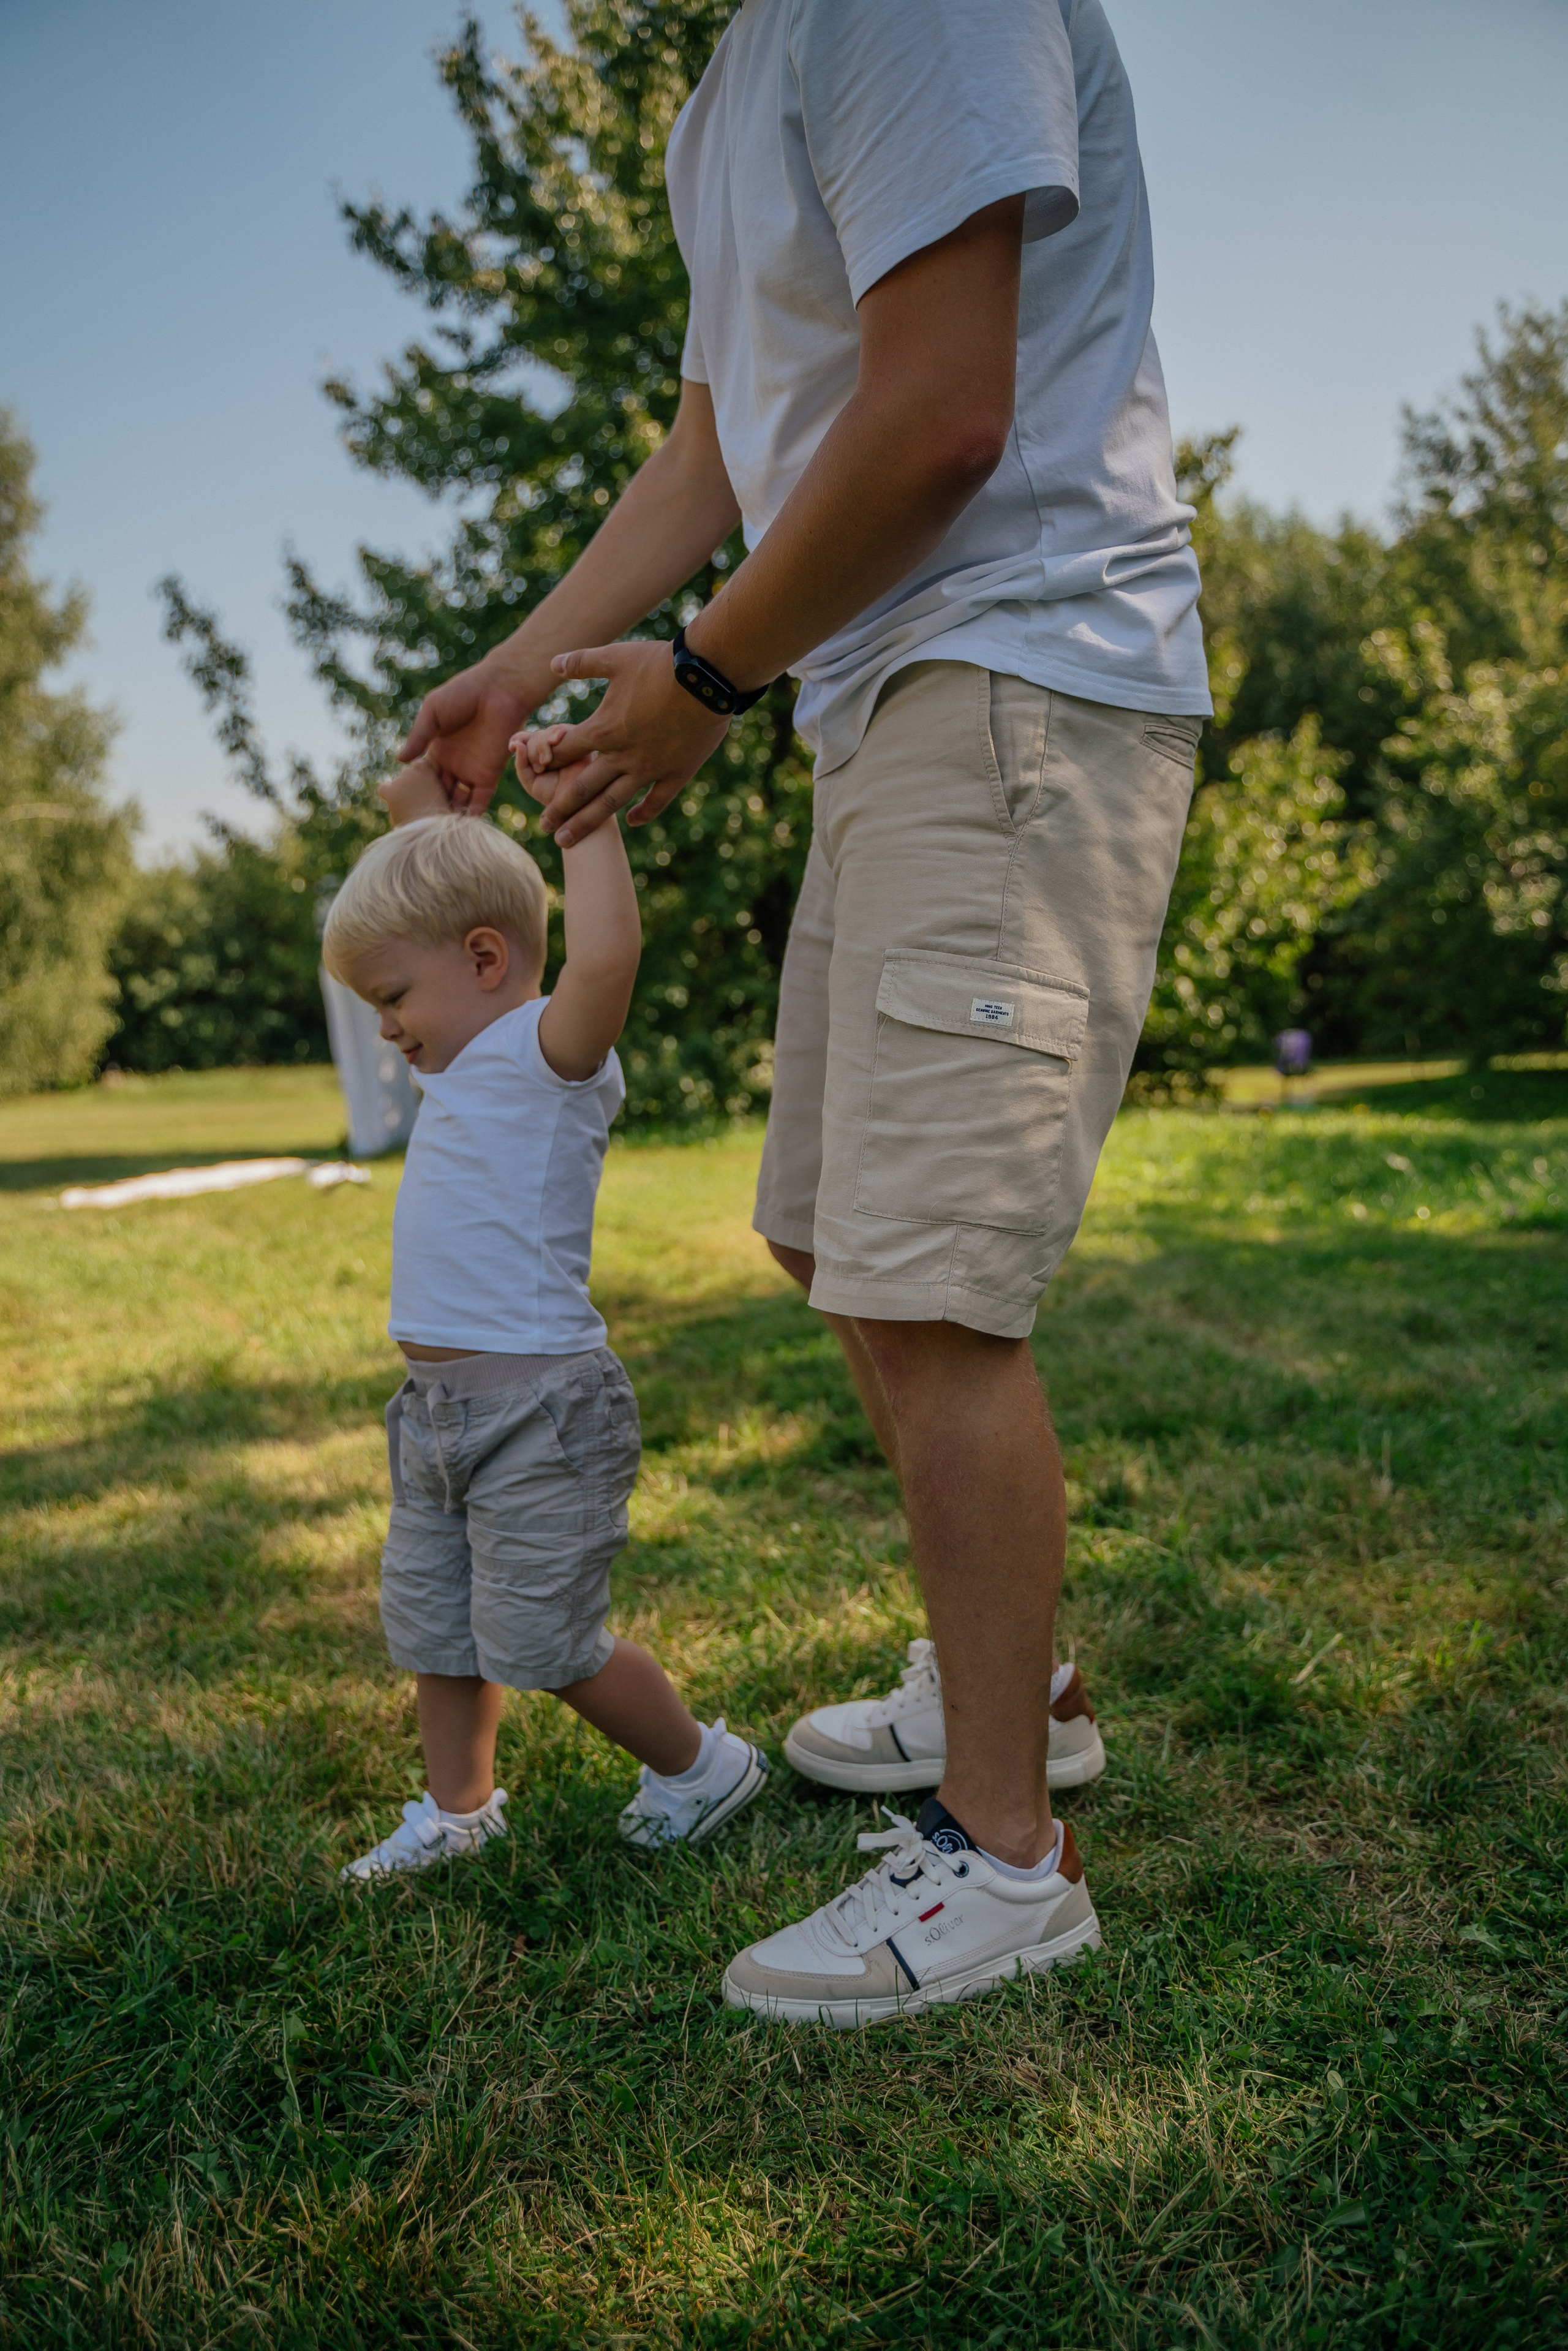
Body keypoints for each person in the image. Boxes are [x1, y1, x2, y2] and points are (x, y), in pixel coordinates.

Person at [398, 0, 1210, 2023]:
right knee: (836, 1235)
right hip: (887, 706)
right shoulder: (726, 90)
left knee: (934, 1291)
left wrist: (707, 678)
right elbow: (716, 446)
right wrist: (520, 667)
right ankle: (1017, 1683)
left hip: (1015, 672)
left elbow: (943, 411)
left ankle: (1008, 1858)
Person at [324, 755, 767, 1881]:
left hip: (540, 1412)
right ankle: (458, 1811)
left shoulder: (547, 1055)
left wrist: (583, 820)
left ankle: (700, 1765)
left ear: (483, 963)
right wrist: (415, 806)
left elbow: (604, 953)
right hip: (430, 1415)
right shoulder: (460, 1061)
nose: (387, 1030)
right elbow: (449, 893)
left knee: (547, 1643)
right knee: (436, 1627)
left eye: (392, 999)